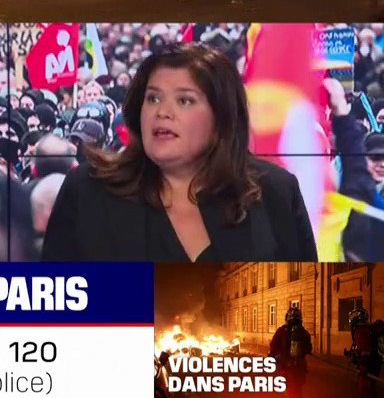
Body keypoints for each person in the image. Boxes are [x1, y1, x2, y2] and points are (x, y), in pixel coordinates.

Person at [41, 43, 318, 262]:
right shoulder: (88, 190)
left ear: (222, 116)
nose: (162, 112)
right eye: (153, 98)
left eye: (184, 100)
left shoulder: (275, 191)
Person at [269, 306, 311, 398]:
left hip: (285, 367)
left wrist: (273, 356)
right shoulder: (304, 333)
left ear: (287, 317)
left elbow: (273, 346)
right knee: (298, 391)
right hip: (299, 368)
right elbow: (309, 349)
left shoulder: (281, 330)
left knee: (288, 391)